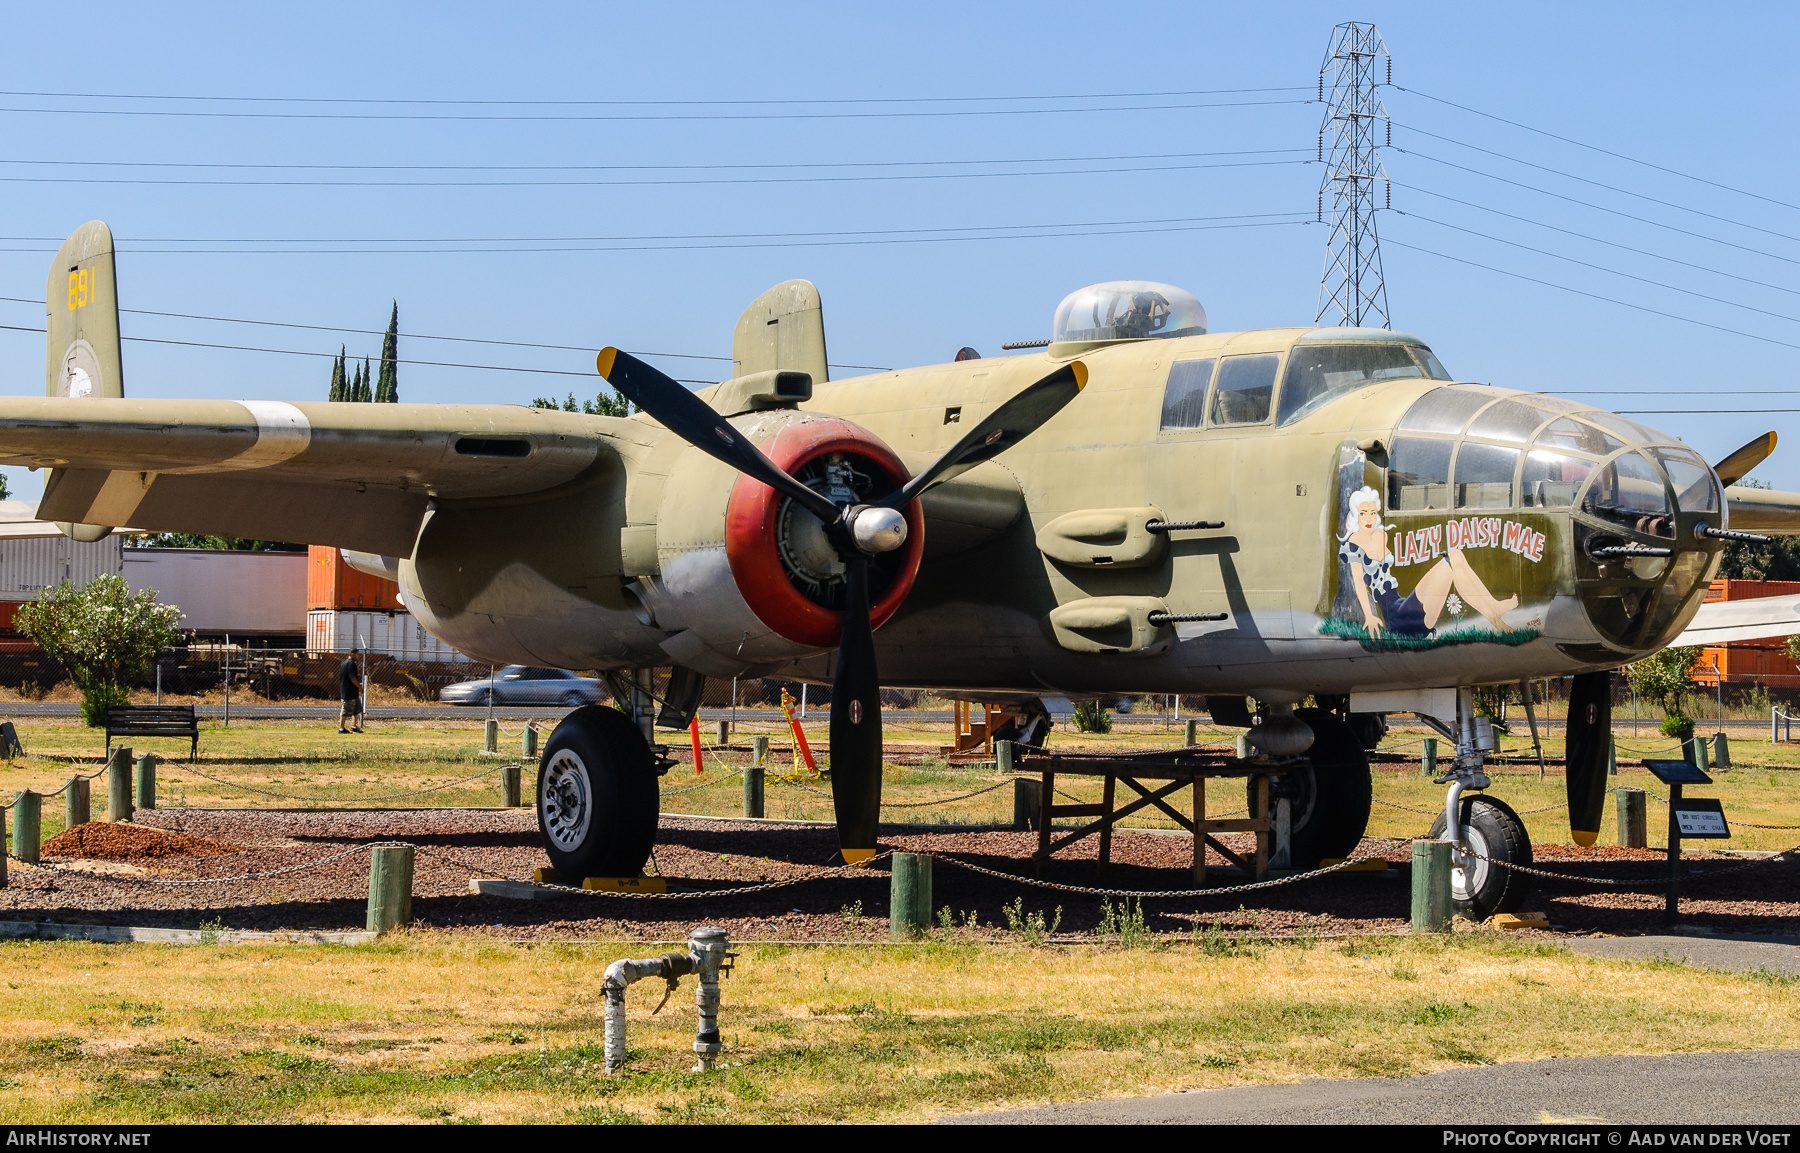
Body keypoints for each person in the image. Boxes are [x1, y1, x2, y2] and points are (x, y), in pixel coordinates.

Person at [1338, 486, 1518, 639]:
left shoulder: (1381, 535)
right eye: (1363, 513)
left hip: (1406, 608)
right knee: (1453, 559)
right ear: (1356, 515)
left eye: (1371, 513)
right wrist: (1369, 616)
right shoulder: (1354, 543)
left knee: (1455, 556)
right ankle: (1494, 613)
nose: (1368, 519)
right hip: (1399, 620)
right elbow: (1359, 584)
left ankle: (1494, 611)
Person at [338, 648, 364, 734]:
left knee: (356, 709)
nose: (358, 656)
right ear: (352, 654)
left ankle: (354, 726)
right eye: (357, 654)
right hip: (348, 691)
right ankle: (341, 728)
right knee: (345, 710)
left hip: (353, 692)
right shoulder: (350, 664)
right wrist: (360, 687)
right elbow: (352, 677)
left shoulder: (344, 663)